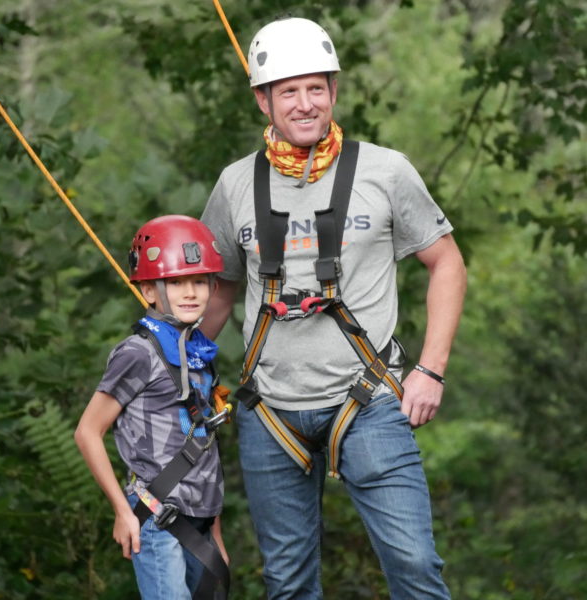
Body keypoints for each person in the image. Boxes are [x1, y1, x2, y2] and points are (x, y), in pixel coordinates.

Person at [200, 16, 466, 600]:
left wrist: (430, 369)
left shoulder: (385, 171)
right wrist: (175, 362)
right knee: (288, 585)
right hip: (269, 409)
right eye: (288, 91)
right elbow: (217, 289)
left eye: (316, 88)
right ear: (262, 101)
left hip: (367, 401)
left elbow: (447, 263)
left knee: (416, 567)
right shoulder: (235, 185)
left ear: (334, 92)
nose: (304, 103)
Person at [75, 215, 231, 600]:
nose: (190, 292)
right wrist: (122, 511)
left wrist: (215, 533)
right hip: (156, 517)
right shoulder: (138, 354)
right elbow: (87, 432)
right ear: (149, 290)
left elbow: (202, 446)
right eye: (176, 282)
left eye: (198, 281)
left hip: (201, 519)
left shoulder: (197, 355)